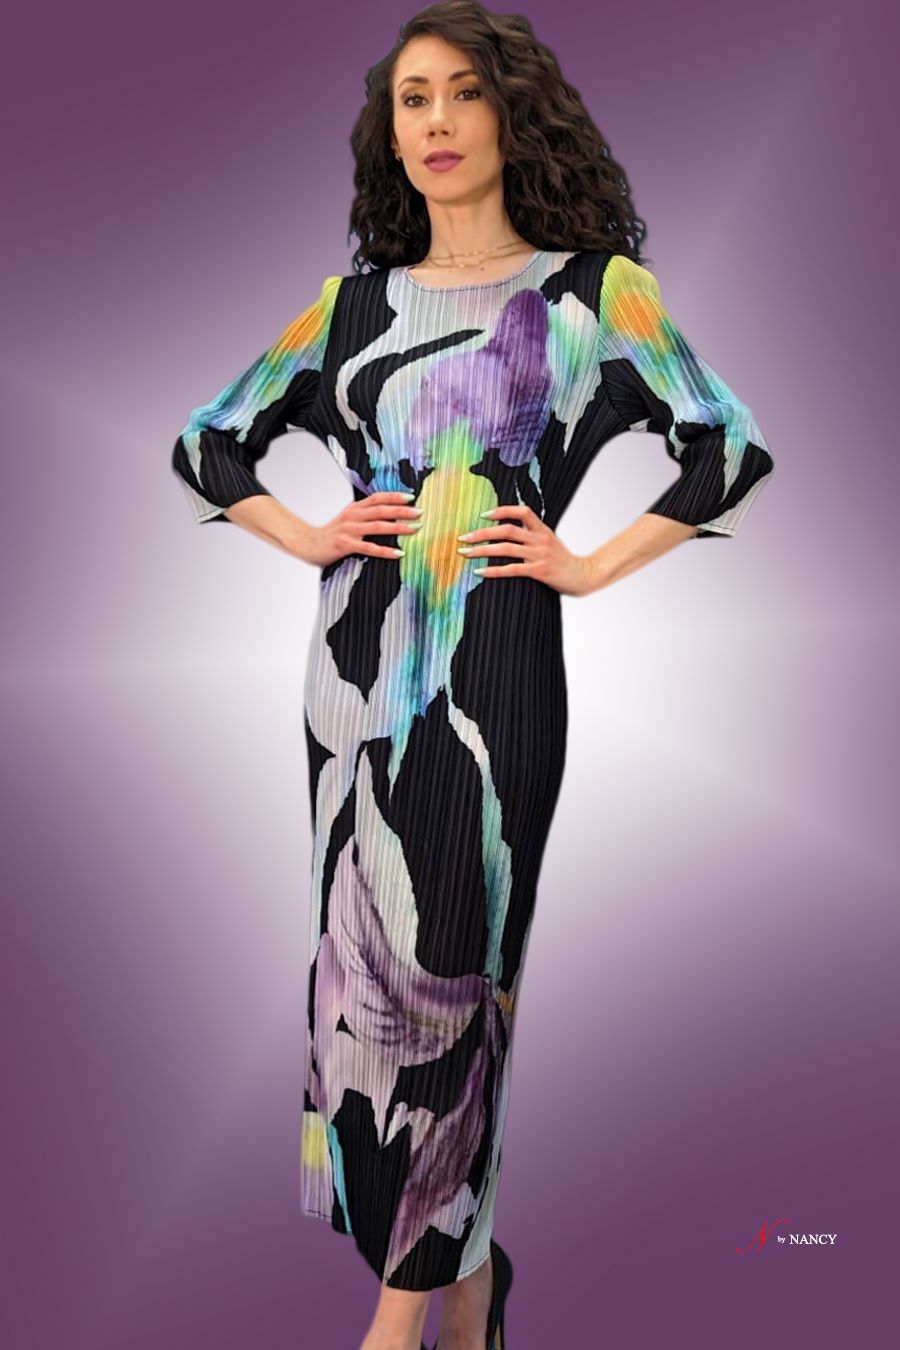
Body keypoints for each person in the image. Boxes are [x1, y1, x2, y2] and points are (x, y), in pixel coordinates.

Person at [170, 4, 775, 1348]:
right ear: (391, 135)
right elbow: (208, 442)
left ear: (512, 113)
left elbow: (726, 448)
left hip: (496, 678)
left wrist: (588, 562)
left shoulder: (592, 293)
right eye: (413, 101)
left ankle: (397, 1323)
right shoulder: (348, 309)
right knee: (365, 985)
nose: (437, 122)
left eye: (464, 93)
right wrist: (311, 534)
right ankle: (473, 1282)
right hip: (349, 683)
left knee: (460, 972)